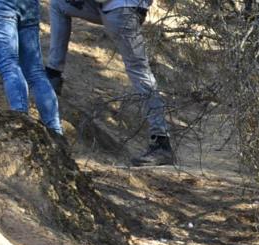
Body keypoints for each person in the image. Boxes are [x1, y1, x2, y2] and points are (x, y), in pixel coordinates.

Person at [44, 0, 173, 166]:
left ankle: (161, 142)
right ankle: (53, 74)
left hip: (122, 11)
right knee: (59, 4)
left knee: (140, 73)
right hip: (115, 8)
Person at [0, 0, 62, 135]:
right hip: (27, 4)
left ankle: (22, 124)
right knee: (36, 72)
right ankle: (56, 133)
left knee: (9, 66)